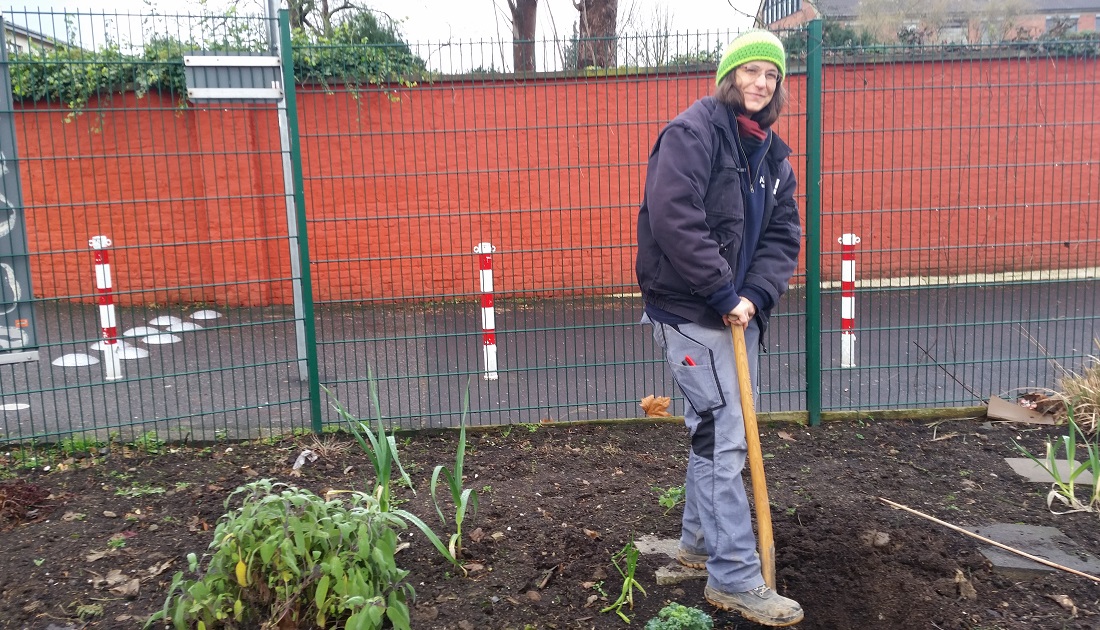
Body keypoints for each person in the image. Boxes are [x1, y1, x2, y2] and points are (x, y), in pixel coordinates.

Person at [635, 30, 804, 627]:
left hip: (737, 314)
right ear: (728, 76)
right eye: (750, 71)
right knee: (723, 435)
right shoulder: (693, 134)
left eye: (771, 75)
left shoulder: (772, 156)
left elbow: (783, 235)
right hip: (689, 311)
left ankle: (697, 549)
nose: (760, 83)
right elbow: (675, 217)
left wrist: (753, 296)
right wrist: (722, 292)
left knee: (713, 429)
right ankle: (734, 577)